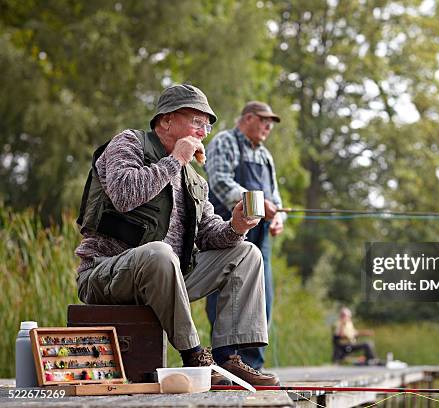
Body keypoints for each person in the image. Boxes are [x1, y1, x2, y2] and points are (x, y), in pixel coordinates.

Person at [74, 84, 279, 386]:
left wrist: (237, 226)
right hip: (106, 275)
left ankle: (229, 359)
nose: (204, 130)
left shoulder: (194, 180)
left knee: (246, 252)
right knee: (159, 252)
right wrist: (175, 161)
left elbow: (209, 234)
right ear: (166, 120)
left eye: (207, 124)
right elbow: (123, 194)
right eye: (197, 121)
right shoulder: (129, 143)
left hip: (169, 279)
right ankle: (195, 357)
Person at [205, 101, 284, 370]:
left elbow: (275, 195)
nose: (268, 127)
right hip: (228, 228)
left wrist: (277, 218)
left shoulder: (265, 155)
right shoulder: (225, 141)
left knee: (264, 296)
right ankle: (226, 361)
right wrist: (258, 206)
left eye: (271, 123)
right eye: (264, 120)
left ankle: (253, 366)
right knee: (226, 292)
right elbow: (220, 181)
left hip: (261, 234)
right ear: (248, 118)